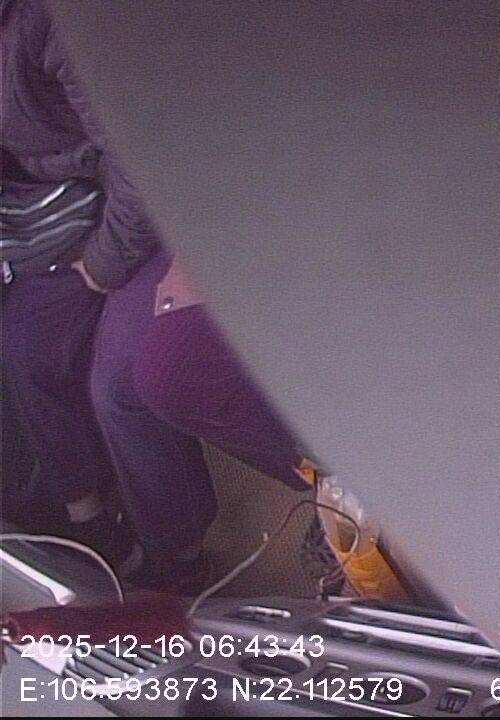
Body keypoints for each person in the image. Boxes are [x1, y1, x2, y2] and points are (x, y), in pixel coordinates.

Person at [2, 0, 308, 593]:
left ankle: (180, 557)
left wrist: (103, 262)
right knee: (25, 342)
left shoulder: (52, 22)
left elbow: (142, 153)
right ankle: (90, 522)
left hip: (169, 189)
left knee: (126, 382)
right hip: (76, 203)